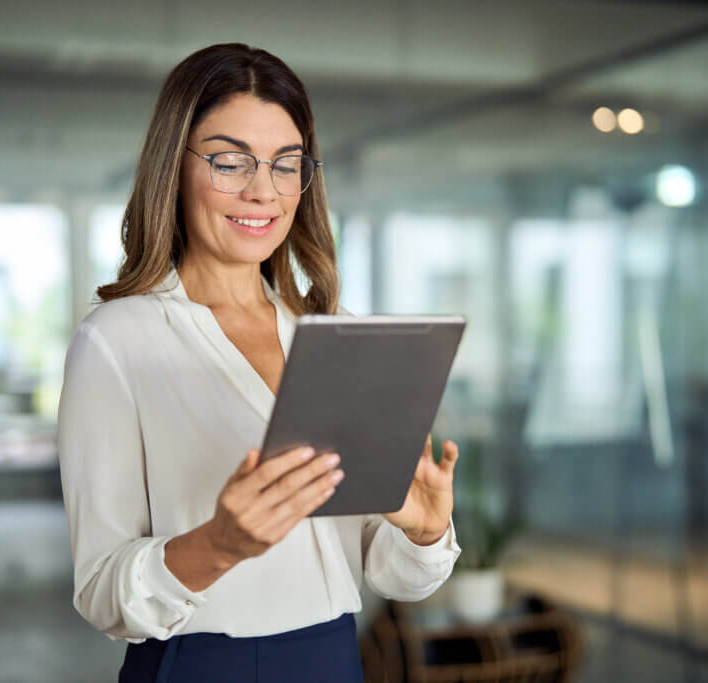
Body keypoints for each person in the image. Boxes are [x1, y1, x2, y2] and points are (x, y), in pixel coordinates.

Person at [57, 43, 462, 683]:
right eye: (229, 161)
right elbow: (102, 590)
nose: (262, 191)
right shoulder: (117, 340)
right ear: (174, 166)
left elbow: (395, 578)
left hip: (331, 659)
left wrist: (422, 531)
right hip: (194, 665)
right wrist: (216, 545)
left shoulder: (338, 338)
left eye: (285, 164)